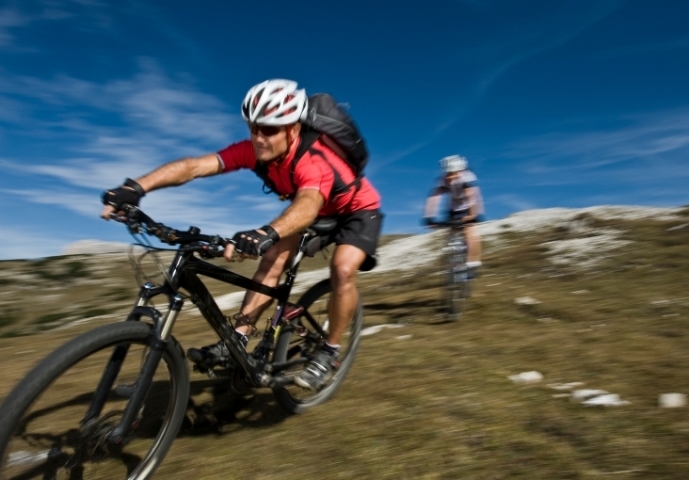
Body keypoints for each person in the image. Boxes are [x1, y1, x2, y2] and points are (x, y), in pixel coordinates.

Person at [101, 79, 382, 391]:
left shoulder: (312, 160)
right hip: (314, 209)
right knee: (272, 261)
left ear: (293, 128)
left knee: (342, 270)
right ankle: (238, 339)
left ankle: (329, 352)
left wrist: (267, 232)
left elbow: (308, 205)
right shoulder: (253, 150)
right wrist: (136, 187)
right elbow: (195, 166)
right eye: (253, 128)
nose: (259, 138)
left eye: (269, 129)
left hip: (357, 211)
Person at [423, 155, 483, 272]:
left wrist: (472, 215)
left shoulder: (467, 178)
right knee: (451, 232)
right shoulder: (442, 180)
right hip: (453, 208)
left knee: (469, 230)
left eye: (453, 173)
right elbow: (434, 199)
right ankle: (453, 265)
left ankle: (473, 261)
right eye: (448, 173)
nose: (450, 176)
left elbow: (472, 197)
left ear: (460, 171)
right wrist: (429, 217)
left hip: (469, 207)